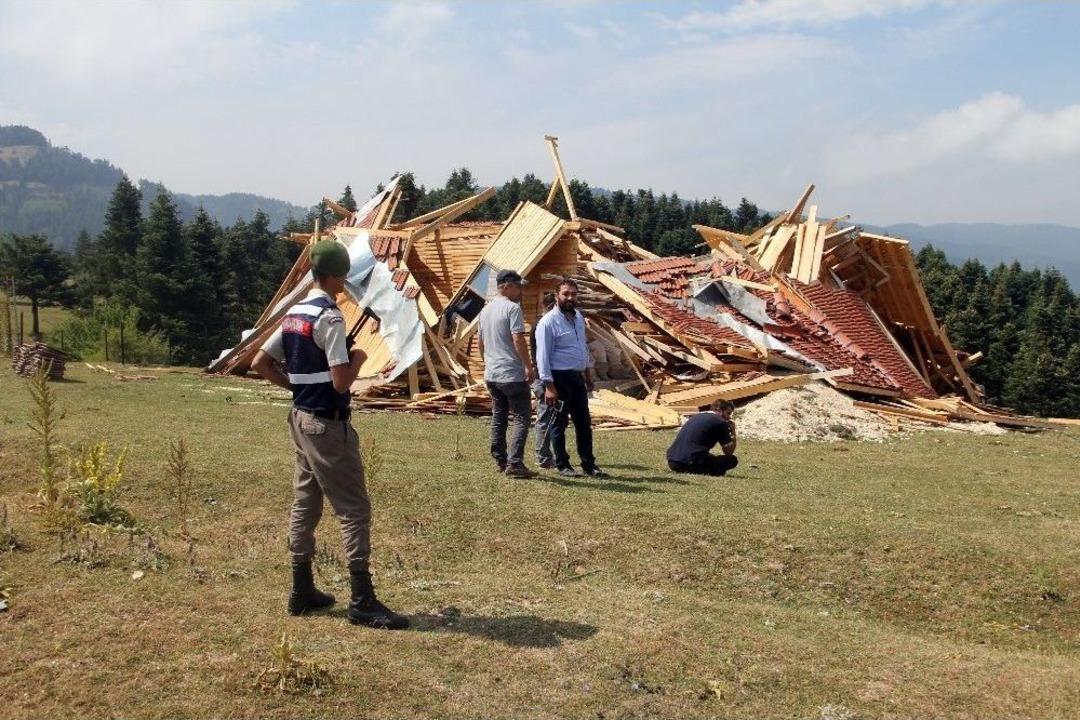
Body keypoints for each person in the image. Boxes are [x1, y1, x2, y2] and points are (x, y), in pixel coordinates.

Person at [251, 239, 408, 630]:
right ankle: (362, 600)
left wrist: (297, 387)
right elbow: (341, 383)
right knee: (353, 508)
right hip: (327, 424)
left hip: (301, 418)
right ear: (338, 275)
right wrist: (358, 358)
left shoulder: (295, 313)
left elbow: (260, 361)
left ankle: (301, 589)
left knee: (305, 502)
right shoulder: (331, 317)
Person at [535, 278, 608, 478]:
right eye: (566, 294)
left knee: (583, 423)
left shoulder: (578, 318)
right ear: (557, 295)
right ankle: (563, 464)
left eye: (574, 294)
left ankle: (589, 464)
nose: (570, 298)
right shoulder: (548, 322)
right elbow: (542, 357)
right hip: (558, 379)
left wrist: (588, 373)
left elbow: (582, 347)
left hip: (577, 378)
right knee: (559, 423)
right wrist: (549, 386)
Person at [477, 269, 536, 478]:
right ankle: (515, 462)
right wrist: (528, 367)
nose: (520, 291)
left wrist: (489, 363)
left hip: (492, 374)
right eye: (518, 286)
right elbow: (518, 339)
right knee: (522, 417)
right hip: (511, 372)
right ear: (508, 286)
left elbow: (480, 344)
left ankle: (500, 459)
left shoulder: (485, 311)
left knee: (499, 416)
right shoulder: (512, 309)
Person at [666, 399, 739, 476]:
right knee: (731, 460)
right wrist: (733, 432)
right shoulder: (720, 422)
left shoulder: (696, 416)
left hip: (672, 461)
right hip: (689, 462)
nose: (729, 417)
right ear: (719, 410)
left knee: (710, 457)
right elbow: (729, 452)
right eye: (728, 413)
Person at [531, 292, 558, 469]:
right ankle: (543, 456)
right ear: (549, 307)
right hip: (544, 377)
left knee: (550, 416)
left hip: (546, 376)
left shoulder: (541, 323)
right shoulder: (542, 325)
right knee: (545, 416)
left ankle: (547, 454)